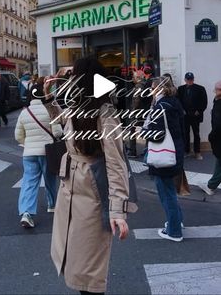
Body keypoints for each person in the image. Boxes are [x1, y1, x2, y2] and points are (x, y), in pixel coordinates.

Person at [43, 56, 131, 295]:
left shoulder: (106, 113)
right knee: (75, 263)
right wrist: (50, 99)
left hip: (92, 194)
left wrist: (117, 211)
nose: (69, 80)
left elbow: (116, 163)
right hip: (71, 189)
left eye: (73, 76)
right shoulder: (77, 107)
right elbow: (63, 123)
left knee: (89, 272)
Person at [14, 84, 63, 228]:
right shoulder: (49, 110)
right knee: (50, 180)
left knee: (29, 182)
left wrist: (27, 144)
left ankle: (26, 213)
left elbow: (18, 136)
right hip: (47, 152)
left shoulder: (24, 113)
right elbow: (58, 133)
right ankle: (52, 204)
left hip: (29, 153)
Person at [143, 76, 185, 242]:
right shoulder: (174, 102)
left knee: (167, 193)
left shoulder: (160, 107)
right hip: (175, 150)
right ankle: (177, 221)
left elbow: (157, 135)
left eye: (153, 87)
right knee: (170, 192)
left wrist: (143, 131)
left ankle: (174, 231)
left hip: (164, 155)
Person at [177, 72, 208, 160]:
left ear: (193, 79)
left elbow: (204, 101)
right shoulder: (180, 89)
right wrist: (181, 110)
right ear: (185, 80)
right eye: (188, 79)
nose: (190, 81)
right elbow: (178, 101)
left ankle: (197, 152)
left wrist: (199, 111)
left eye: (191, 79)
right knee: (185, 134)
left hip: (195, 115)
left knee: (196, 134)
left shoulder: (200, 88)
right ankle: (186, 151)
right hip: (185, 116)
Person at [199, 81, 221, 195]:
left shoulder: (219, 104)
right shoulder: (217, 102)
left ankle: (211, 186)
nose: (214, 91)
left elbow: (218, 124)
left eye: (216, 90)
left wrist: (211, 136)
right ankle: (211, 185)